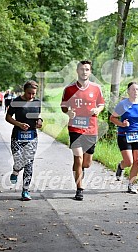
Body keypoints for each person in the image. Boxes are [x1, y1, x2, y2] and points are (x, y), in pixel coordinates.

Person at [61, 60, 105, 200]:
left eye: (87, 69)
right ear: (77, 71)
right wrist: (68, 112)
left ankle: (80, 170)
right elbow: (63, 106)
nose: (84, 71)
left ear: (90, 72)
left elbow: (101, 104)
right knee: (78, 157)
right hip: (75, 127)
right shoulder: (69, 89)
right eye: (82, 69)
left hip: (91, 129)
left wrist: (98, 109)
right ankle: (79, 189)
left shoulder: (96, 88)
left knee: (86, 163)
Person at [110, 81, 138, 194]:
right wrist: (122, 124)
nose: (135, 91)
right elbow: (112, 118)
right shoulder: (123, 104)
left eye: (137, 89)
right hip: (124, 135)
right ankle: (121, 166)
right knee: (129, 162)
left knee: (137, 161)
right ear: (128, 91)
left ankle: (131, 184)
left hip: (137, 135)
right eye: (132, 89)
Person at [5, 80, 43, 200]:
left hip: (32, 137)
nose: (31, 96)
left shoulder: (37, 102)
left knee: (29, 163)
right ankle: (16, 170)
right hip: (17, 136)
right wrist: (19, 124)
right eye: (28, 93)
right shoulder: (16, 102)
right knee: (18, 161)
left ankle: (25, 191)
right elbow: (8, 117)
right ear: (24, 91)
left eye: (33, 94)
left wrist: (40, 121)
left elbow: (38, 116)